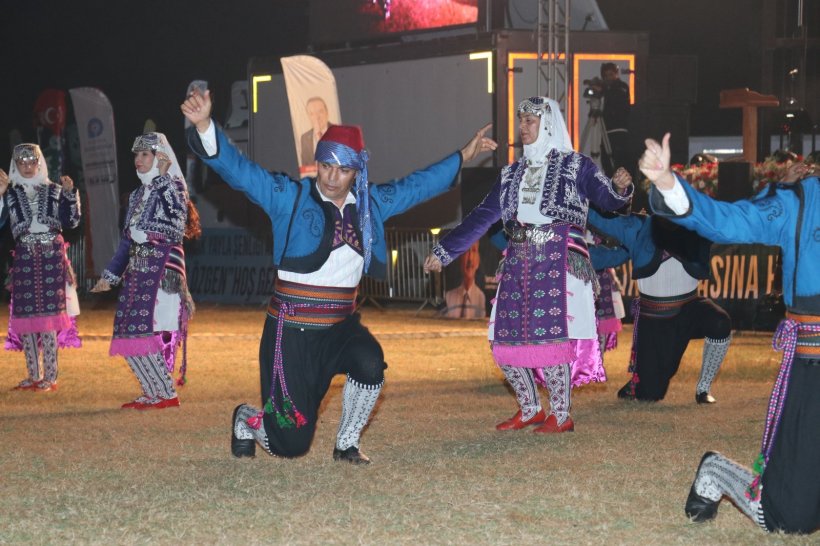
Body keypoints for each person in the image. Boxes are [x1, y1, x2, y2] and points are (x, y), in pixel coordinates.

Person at [181, 88, 496, 464]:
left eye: (343, 169)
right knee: (289, 444)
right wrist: (204, 127)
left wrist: (464, 154)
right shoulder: (289, 196)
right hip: (291, 330)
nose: (332, 177)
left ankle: (346, 442)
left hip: (340, 327)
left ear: (357, 170)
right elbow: (242, 173)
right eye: (326, 166)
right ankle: (247, 419)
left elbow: (417, 186)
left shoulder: (371, 204)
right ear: (317, 162)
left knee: (370, 362)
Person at [642, 133, 820, 534]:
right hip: (815, 364)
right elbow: (732, 221)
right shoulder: (804, 201)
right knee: (792, 517)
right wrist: (671, 186)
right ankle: (717, 473)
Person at [424, 97, 633, 434]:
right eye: (520, 120)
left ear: (548, 124)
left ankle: (561, 415)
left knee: (551, 340)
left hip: (558, 257)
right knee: (501, 338)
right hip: (518, 259)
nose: (522, 127)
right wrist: (446, 250)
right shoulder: (511, 174)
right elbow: (481, 217)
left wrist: (621, 188)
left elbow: (607, 199)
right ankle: (531, 408)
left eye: (530, 121)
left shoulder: (575, 166)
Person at [91, 132, 198, 410]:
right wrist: (109, 276)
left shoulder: (173, 187)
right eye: (136, 155)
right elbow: (127, 239)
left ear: (160, 157)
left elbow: (177, 226)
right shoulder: (138, 194)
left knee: (145, 331)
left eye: (145, 155)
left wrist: (162, 179)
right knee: (126, 332)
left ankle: (166, 393)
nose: (138, 160)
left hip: (161, 269)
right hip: (137, 270)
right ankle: (152, 391)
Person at [587, 207, 732, 404]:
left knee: (719, 322)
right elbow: (602, 220)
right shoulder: (639, 227)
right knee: (649, 394)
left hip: (690, 307)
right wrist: (575, 198)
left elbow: (733, 222)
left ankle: (703, 389)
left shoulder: (697, 227)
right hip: (654, 319)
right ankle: (637, 384)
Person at [0, 143, 81, 392]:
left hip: (50, 258)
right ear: (15, 165)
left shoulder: (55, 190)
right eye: (21, 163)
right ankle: (33, 375)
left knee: (48, 318)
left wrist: (69, 194)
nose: (27, 167)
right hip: (24, 257)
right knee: (26, 318)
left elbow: (72, 221)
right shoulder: (10, 194)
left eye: (31, 162)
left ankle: (51, 377)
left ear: (39, 162)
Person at [598, 62, 630, 176]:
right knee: (606, 161)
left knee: (620, 161)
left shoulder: (622, 86)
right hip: (607, 131)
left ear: (616, 74)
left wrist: (605, 87)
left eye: (611, 74)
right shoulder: (606, 88)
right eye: (606, 76)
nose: (608, 78)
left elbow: (617, 98)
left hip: (620, 131)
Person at [441, 241, 486, 319]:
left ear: (478, 261)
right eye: (466, 252)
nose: (470, 258)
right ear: (459, 259)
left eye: (474, 251)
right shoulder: (449, 296)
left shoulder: (481, 297)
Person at [300, 97, 332, 167]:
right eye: (312, 114)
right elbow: (305, 166)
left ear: (327, 112)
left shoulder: (339, 132)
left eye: (320, 112)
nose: (317, 117)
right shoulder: (304, 138)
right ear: (308, 116)